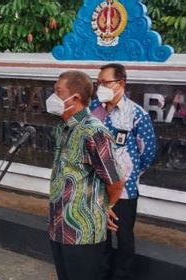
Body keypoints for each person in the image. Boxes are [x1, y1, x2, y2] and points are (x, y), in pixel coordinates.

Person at [47, 70, 125, 280]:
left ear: (76, 98)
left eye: (58, 91)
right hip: (58, 227)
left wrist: (105, 206)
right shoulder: (62, 128)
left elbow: (116, 181)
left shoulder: (93, 131)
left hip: (82, 232)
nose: (53, 97)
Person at [90, 63, 156, 280]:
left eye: (105, 82)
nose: (100, 86)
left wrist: (128, 174)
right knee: (100, 236)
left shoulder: (137, 114)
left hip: (124, 190)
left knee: (124, 236)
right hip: (96, 186)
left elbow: (147, 153)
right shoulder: (93, 110)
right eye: (98, 82)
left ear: (121, 84)